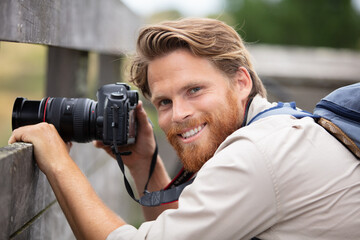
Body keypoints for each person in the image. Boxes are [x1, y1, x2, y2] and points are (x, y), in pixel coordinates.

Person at [8, 18, 360, 240]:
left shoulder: (256, 155)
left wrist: (57, 161)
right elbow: (183, 230)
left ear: (240, 82)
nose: (179, 114)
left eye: (194, 90)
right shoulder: (280, 125)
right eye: (164, 102)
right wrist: (144, 164)